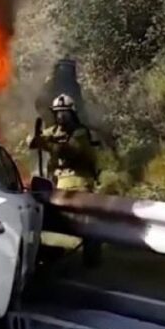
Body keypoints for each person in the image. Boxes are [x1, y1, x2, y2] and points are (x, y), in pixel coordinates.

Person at [27, 93, 102, 268]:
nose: (61, 116)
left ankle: (91, 255)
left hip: (79, 181)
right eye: (58, 112)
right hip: (57, 184)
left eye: (65, 113)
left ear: (72, 114)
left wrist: (46, 144)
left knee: (87, 222)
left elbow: (69, 150)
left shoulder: (81, 133)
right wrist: (35, 139)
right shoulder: (53, 131)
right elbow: (32, 141)